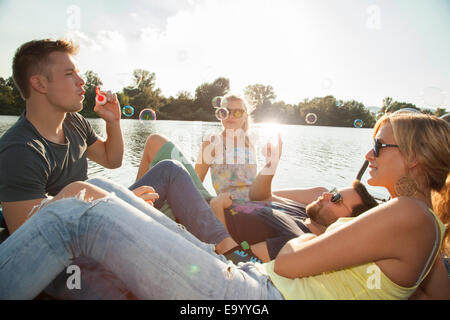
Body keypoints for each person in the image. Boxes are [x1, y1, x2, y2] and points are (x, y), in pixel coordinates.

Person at [2, 113, 449, 299]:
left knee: (72, 217)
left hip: (255, 293)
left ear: (412, 155)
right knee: (89, 189)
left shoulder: (409, 216)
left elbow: (291, 262)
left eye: (379, 145)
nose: (369, 154)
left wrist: (319, 238)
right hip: (248, 280)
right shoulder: (421, 227)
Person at [0, 39, 239, 299]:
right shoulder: (20, 149)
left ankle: (231, 253)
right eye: (70, 74)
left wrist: (113, 122)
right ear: (40, 84)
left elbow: (111, 160)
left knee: (170, 169)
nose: (82, 82)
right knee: (114, 287)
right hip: (63, 257)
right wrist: (117, 207)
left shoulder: (74, 122)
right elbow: (30, 236)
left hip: (98, 215)